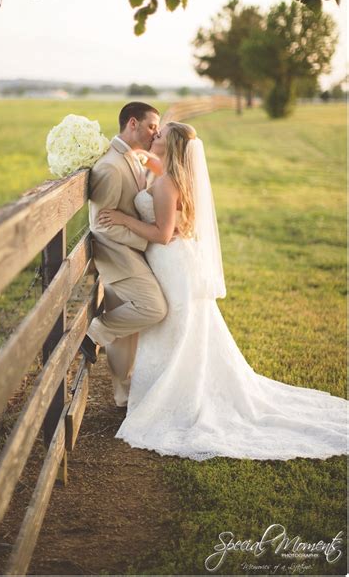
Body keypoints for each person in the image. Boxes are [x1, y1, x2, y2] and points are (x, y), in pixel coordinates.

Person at [98, 121, 348, 461]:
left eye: (160, 133)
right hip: (173, 261)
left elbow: (162, 233)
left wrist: (124, 219)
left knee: (178, 329)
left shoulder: (169, 183)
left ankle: (176, 395)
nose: (154, 135)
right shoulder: (169, 174)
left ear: (170, 145)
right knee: (178, 328)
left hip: (171, 261)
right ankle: (166, 390)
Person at [80, 102, 168, 408]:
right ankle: (93, 332)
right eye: (152, 126)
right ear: (133, 123)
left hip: (131, 252)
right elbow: (100, 225)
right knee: (153, 308)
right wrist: (147, 243)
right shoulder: (110, 165)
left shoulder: (131, 157)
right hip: (118, 256)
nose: (155, 133)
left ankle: (121, 394)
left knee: (127, 333)